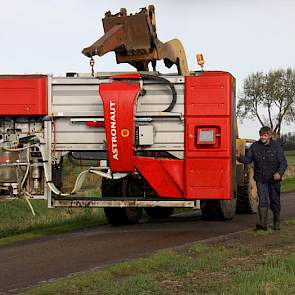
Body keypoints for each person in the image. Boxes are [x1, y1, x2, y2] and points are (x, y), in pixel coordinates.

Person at [237, 126, 287, 231]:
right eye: (261, 135)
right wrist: (239, 156)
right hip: (261, 179)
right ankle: (263, 224)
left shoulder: (276, 146)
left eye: (265, 135)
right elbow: (248, 159)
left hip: (274, 179)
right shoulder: (255, 146)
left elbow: (283, 162)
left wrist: (279, 173)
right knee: (263, 201)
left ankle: (276, 223)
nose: (262, 137)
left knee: (274, 201)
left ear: (269, 136)